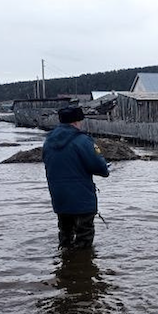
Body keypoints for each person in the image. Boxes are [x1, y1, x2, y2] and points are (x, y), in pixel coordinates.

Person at [43, 106, 109, 250]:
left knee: (65, 235)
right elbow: (101, 168)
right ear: (77, 122)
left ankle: (64, 266)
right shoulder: (82, 141)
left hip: (59, 198)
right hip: (82, 199)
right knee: (84, 238)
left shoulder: (48, 142)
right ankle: (82, 268)